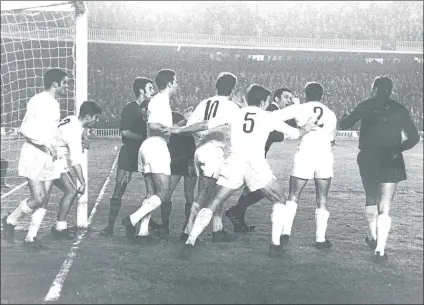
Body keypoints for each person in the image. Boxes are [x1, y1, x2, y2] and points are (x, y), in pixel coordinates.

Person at [173, 84, 317, 260]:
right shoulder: (267, 116)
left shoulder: (235, 113)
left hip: (233, 162)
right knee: (279, 200)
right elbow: (295, 134)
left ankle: (190, 243)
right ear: (263, 102)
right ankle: (275, 245)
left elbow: (205, 124)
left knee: (214, 201)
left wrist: (179, 129)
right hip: (256, 165)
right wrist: (307, 127)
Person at [339, 76, 419, 262]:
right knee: (385, 206)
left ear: (374, 88)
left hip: (368, 157)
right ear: (390, 90)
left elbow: (344, 124)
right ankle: (380, 250)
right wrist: (397, 149)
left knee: (371, 197)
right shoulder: (400, 109)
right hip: (391, 159)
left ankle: (373, 237)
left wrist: (345, 117)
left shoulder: (365, 105)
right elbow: (414, 137)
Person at [2, 68, 68, 249]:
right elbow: (26, 129)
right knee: (38, 198)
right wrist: (45, 145)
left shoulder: (55, 103)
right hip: (33, 154)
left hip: (49, 156)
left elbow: (51, 132)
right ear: (55, 84)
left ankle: (31, 237)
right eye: (65, 82)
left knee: (45, 198)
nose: (66, 86)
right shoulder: (37, 101)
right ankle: (10, 220)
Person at [272, 82, 337, 250]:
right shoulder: (330, 114)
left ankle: (285, 232)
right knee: (322, 198)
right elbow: (332, 140)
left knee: (293, 195)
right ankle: (320, 239)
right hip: (324, 157)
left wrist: (295, 131)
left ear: (306, 94)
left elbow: (274, 117)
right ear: (321, 95)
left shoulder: (299, 108)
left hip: (305, 156)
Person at [225, 88, 299, 232]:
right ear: (276, 99)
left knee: (250, 189)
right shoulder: (270, 110)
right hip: (252, 157)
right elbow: (277, 134)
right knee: (260, 190)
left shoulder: (274, 111)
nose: (288, 100)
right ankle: (235, 212)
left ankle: (238, 217)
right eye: (286, 97)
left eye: (290, 97)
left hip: (252, 155)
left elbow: (289, 126)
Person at [179, 72, 241, 243]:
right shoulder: (232, 107)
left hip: (201, 151)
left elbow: (191, 125)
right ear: (233, 89)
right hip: (214, 153)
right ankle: (187, 232)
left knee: (216, 191)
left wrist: (201, 139)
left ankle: (218, 229)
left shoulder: (204, 102)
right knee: (205, 193)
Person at [121, 69, 177, 242]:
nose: (177, 85)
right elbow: (153, 125)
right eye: (175, 82)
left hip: (149, 147)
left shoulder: (159, 101)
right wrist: (175, 129)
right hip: (156, 146)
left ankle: (143, 232)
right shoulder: (160, 100)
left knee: (151, 193)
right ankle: (132, 220)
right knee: (163, 193)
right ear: (170, 84)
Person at [99, 77, 154, 237]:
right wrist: (146, 137)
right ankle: (110, 226)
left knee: (153, 189)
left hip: (146, 151)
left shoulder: (153, 107)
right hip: (130, 150)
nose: (153, 91)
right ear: (141, 91)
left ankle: (147, 222)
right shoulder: (130, 108)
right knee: (120, 186)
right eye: (150, 88)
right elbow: (125, 132)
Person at [51, 101, 102, 240]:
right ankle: (59, 228)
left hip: (54, 158)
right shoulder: (74, 130)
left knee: (46, 197)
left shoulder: (73, 120)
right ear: (88, 116)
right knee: (71, 190)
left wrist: (83, 139)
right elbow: (75, 162)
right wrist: (83, 181)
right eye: (96, 118)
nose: (97, 121)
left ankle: (59, 226)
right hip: (52, 160)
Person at [142, 110, 197, 237]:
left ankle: (187, 227)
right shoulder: (161, 127)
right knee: (167, 195)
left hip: (186, 161)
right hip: (175, 163)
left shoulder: (177, 122)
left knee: (188, 194)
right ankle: (165, 226)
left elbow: (190, 143)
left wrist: (190, 163)